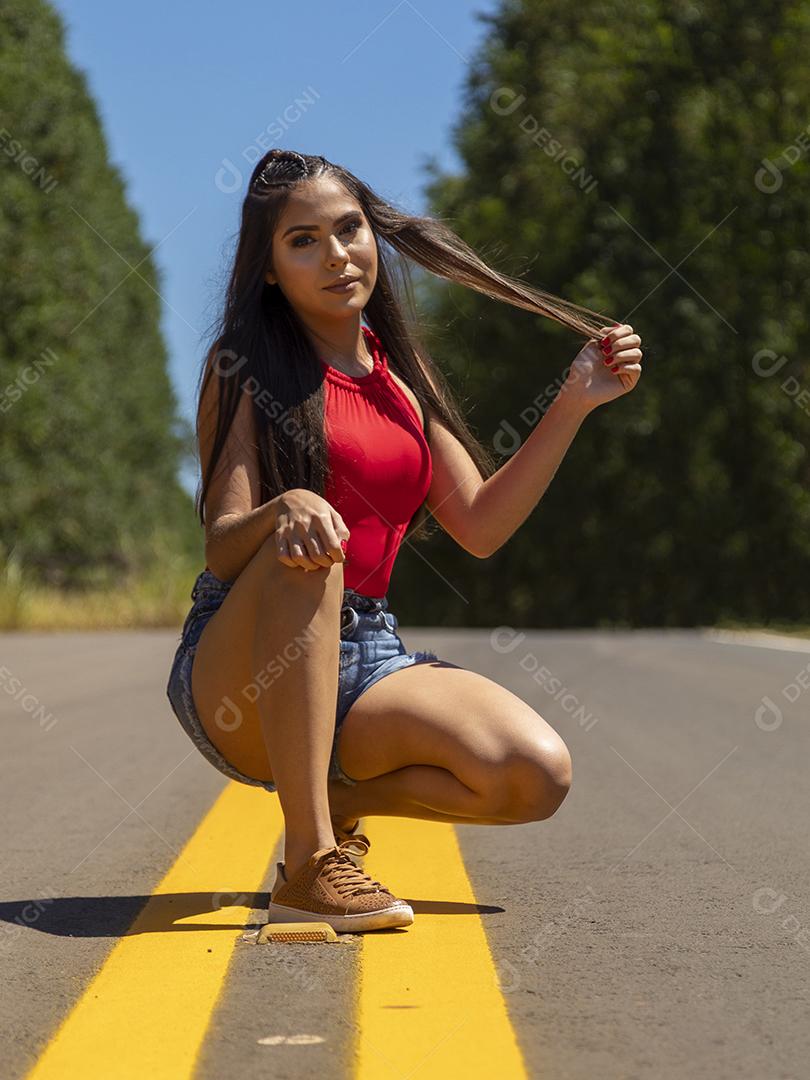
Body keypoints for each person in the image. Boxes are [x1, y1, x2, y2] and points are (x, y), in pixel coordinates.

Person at [166, 148, 644, 933]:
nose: (337, 254)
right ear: (269, 270)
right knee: (312, 542)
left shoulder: (400, 371)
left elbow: (481, 526)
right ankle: (310, 861)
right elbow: (223, 546)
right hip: (242, 669)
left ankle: (326, 797)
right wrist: (286, 505)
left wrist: (574, 403)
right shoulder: (242, 368)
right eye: (303, 240)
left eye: (349, 229)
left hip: (366, 654)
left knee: (534, 774)